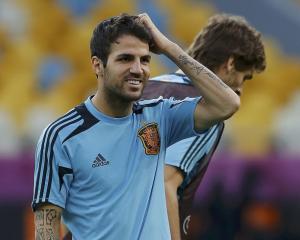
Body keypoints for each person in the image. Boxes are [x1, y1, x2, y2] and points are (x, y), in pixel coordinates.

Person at [32, 13, 241, 239]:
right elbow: (46, 224)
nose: (137, 69)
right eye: (125, 59)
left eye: (145, 59)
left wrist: (169, 47)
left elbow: (227, 104)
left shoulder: (160, 115)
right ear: (98, 65)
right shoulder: (61, 136)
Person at [142, 14, 266, 240]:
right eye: (244, 77)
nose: (241, 88)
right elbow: (164, 182)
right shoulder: (205, 109)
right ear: (230, 63)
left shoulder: (146, 87)